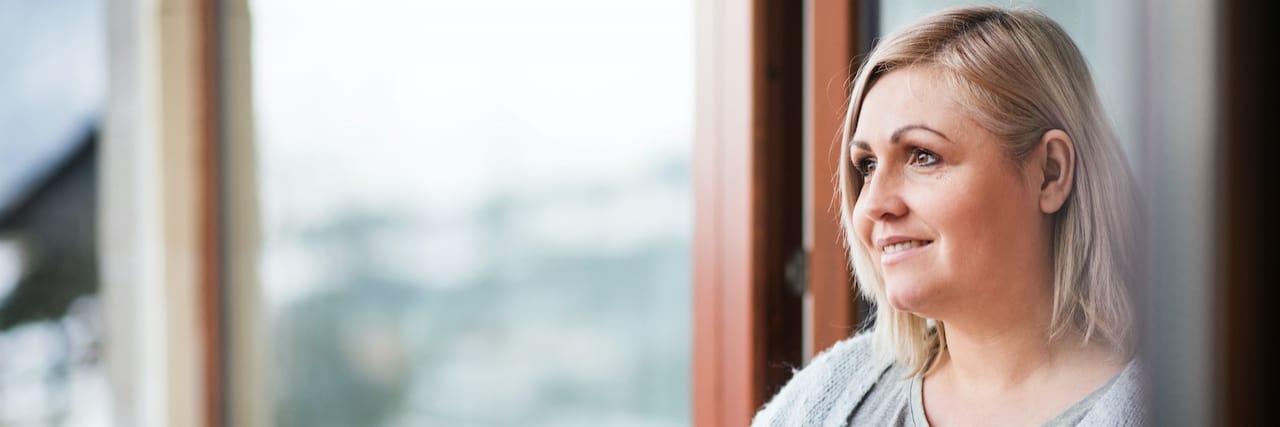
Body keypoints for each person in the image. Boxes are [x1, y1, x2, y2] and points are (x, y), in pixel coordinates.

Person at [753, 6, 1145, 426]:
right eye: (866, 165)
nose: (871, 204)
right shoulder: (824, 402)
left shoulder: (1178, 407)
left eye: (923, 156)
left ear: (1050, 173)